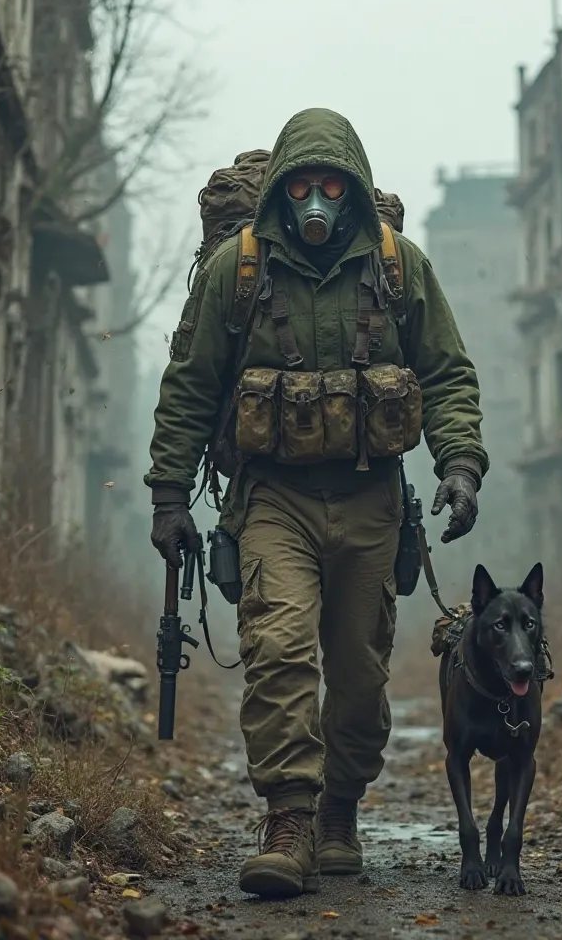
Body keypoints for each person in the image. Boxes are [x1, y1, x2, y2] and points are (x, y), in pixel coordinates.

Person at [145, 108, 489, 899]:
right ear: (279, 192)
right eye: (302, 184)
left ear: (357, 190)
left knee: (362, 675)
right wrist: (170, 497)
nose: (317, 199)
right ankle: (290, 819)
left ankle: (340, 809)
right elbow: (191, 387)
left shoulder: (401, 268)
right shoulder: (237, 269)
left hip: (371, 499)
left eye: (333, 184)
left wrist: (460, 465)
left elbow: (446, 374)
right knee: (280, 648)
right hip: (273, 499)